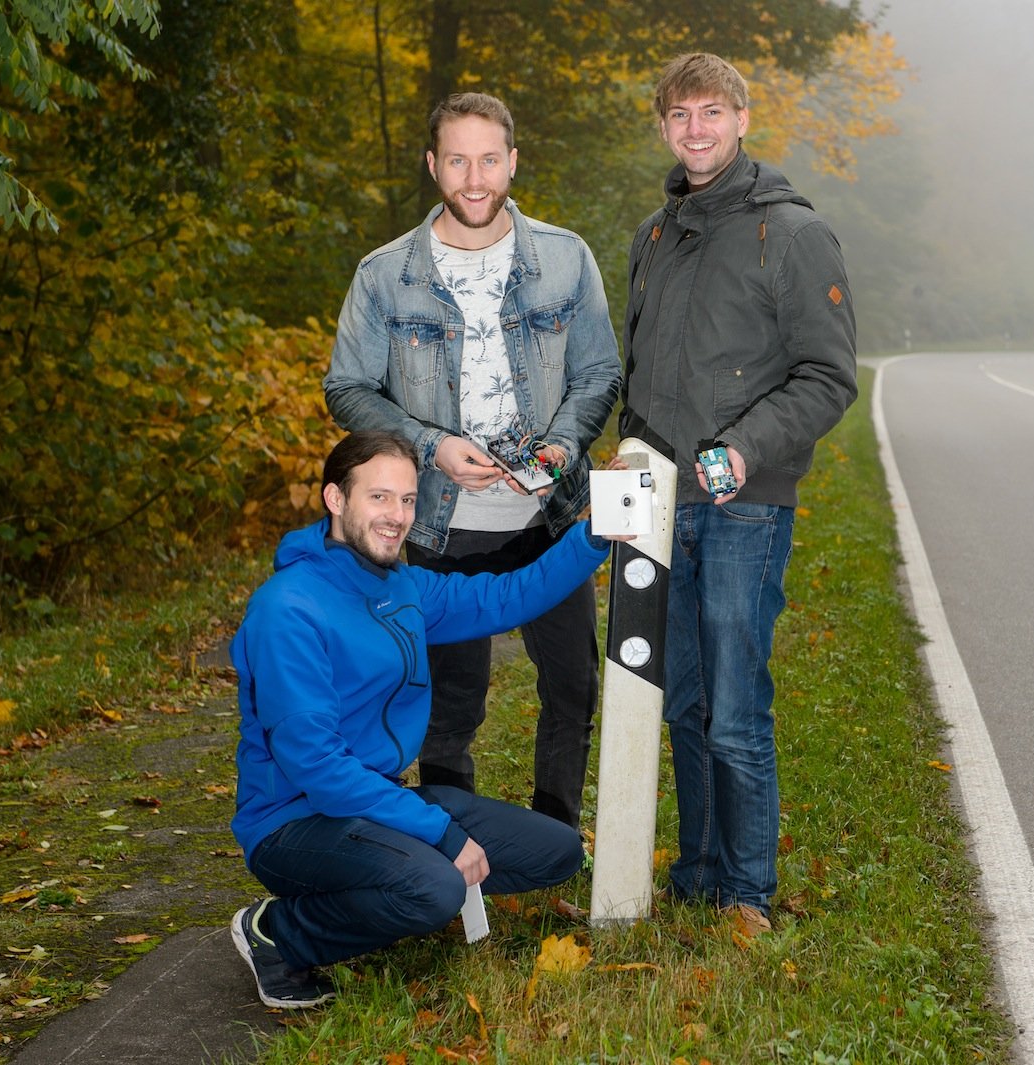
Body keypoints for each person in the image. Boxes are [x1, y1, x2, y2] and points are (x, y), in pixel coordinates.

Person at [228, 430, 614, 1008]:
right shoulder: (288, 609)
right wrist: (440, 835)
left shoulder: (403, 587)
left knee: (555, 851)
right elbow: (316, 765)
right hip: (292, 823)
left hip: (374, 804)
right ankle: (277, 933)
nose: (397, 516)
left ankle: (384, 889)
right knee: (436, 887)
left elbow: (505, 596)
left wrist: (594, 535)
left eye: (407, 500)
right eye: (379, 498)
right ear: (336, 499)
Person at [324, 92, 620, 830]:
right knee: (449, 702)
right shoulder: (385, 273)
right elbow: (347, 387)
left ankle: (553, 842)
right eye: (457, 159)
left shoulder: (565, 257)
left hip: (547, 516)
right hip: (435, 525)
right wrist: (431, 447)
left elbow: (599, 373)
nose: (475, 176)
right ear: (433, 165)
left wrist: (560, 443)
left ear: (513, 161)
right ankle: (461, 859)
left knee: (573, 687)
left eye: (490, 158)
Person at [619, 53, 858, 935]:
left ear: (743, 118)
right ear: (665, 128)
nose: (695, 129)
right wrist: (626, 465)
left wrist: (743, 451)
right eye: (680, 115)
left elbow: (829, 376)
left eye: (711, 112)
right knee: (680, 701)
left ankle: (748, 895)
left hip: (744, 508)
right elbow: (643, 376)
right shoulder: (653, 236)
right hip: (661, 508)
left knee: (733, 708)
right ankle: (698, 873)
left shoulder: (791, 233)